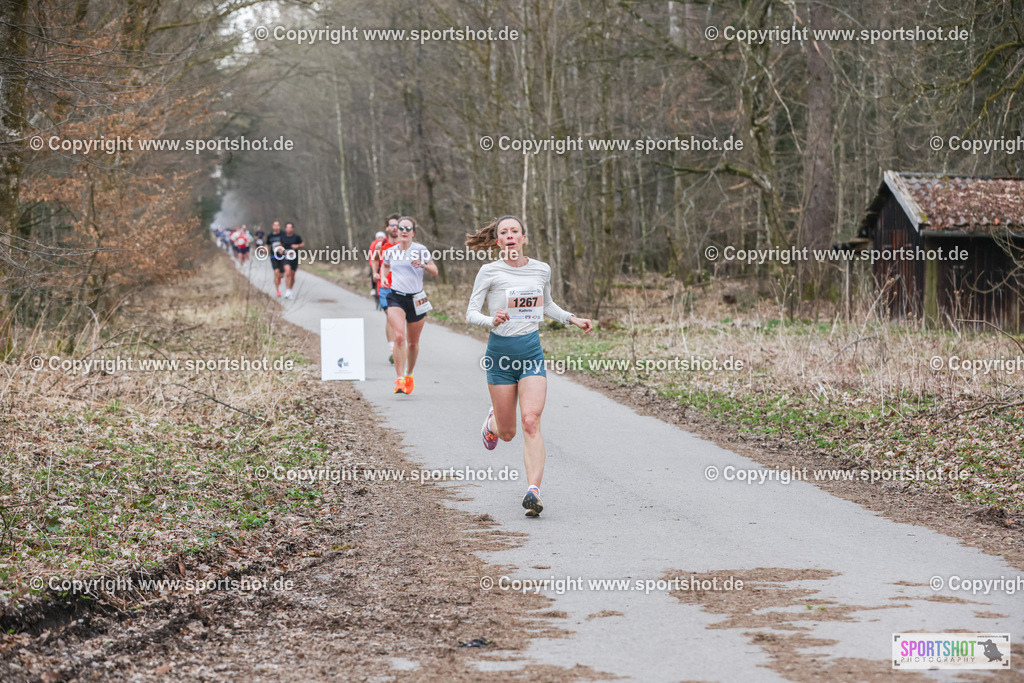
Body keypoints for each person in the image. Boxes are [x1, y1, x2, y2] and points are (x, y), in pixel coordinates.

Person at [465, 215, 592, 517]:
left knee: (531, 421)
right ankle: (493, 423)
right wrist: (491, 319)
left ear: (523, 238)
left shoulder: (541, 269)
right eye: (504, 232)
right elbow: (471, 312)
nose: (510, 236)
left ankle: (533, 491)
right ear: (497, 241)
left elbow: (546, 304)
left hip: (531, 352)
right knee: (508, 432)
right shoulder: (489, 271)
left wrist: (571, 318)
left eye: (515, 231)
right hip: (500, 355)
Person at [380, 216, 438, 394]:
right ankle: (399, 380)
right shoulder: (391, 251)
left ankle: (409, 374)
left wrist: (423, 265)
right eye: (401, 228)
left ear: (413, 232)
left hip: (417, 299)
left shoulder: (420, 250)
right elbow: (385, 265)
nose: (404, 231)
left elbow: (435, 271)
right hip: (396, 297)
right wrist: (383, 276)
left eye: (407, 228)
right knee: (399, 336)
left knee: (413, 343)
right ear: (396, 231)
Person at [370, 214, 400, 362]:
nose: (394, 228)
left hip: (402, 287)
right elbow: (375, 259)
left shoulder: (405, 244)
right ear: (387, 228)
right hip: (385, 286)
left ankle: (397, 346)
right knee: (391, 316)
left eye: (397, 225)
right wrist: (375, 272)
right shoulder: (380, 245)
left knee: (397, 318)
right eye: (391, 225)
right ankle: (393, 350)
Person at [279, 222, 304, 299]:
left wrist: (297, 245)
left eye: (290, 227)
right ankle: (287, 290)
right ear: (285, 228)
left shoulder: (296, 237)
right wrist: (281, 249)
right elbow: (281, 245)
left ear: (292, 229)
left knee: (292, 275)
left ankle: (290, 289)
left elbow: (302, 244)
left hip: (294, 258)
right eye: (287, 227)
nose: (289, 229)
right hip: (286, 257)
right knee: (288, 273)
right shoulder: (283, 237)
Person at [266, 221, 285, 296]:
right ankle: (278, 291)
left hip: (282, 256)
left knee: (281, 275)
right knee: (276, 272)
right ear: (272, 226)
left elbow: (286, 242)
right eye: (275, 225)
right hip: (274, 256)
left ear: (279, 226)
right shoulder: (270, 235)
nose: (276, 227)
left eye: (277, 225)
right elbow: (267, 244)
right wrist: (266, 249)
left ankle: (279, 278)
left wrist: (282, 248)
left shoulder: (283, 234)